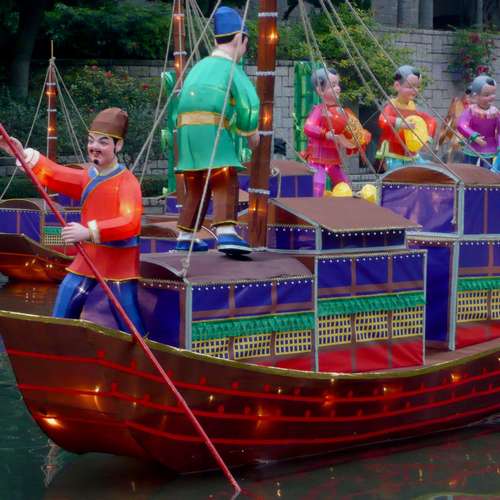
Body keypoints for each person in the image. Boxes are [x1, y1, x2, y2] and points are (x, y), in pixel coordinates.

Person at [0, 108, 145, 335]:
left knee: (126, 313)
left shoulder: (127, 183)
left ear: (118, 146)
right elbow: (54, 174)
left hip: (119, 262)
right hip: (89, 258)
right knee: (67, 295)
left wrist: (88, 232)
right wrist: (22, 155)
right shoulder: (87, 177)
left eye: (103, 142)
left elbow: (129, 222)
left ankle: (141, 347)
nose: (94, 147)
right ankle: (60, 343)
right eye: (91, 141)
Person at [174, 5, 260, 256]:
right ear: (239, 39)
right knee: (224, 175)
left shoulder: (198, 67)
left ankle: (185, 235)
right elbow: (249, 102)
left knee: (197, 181)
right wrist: (250, 133)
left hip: (186, 132)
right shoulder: (231, 69)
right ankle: (226, 232)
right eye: (245, 43)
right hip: (212, 127)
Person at [302, 67, 371, 197]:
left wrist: (353, 139)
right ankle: (315, 205)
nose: (338, 88)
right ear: (320, 90)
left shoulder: (341, 112)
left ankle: (346, 202)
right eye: (333, 86)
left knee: (344, 184)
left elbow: (346, 130)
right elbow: (308, 127)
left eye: (338, 84)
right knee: (318, 185)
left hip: (333, 158)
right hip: (318, 158)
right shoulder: (320, 110)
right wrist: (325, 134)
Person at [376, 65, 437, 171]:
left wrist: (427, 139)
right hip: (393, 154)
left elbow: (431, 121)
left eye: (417, 87)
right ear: (397, 86)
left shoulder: (412, 108)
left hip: (412, 155)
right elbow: (383, 120)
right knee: (398, 173)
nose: (415, 90)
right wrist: (402, 124)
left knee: (428, 169)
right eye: (410, 87)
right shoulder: (392, 106)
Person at [457, 75, 500, 171]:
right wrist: (474, 136)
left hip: (489, 147)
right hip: (472, 146)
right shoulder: (471, 110)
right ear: (476, 96)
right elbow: (461, 125)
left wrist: (499, 144)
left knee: (486, 172)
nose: (491, 97)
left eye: (493, 94)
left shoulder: (495, 112)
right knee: (469, 170)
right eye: (486, 95)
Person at [438, 86, 472, 162]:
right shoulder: (457, 103)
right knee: (455, 143)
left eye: (470, 96)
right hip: (456, 129)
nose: (468, 97)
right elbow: (451, 116)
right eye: (467, 94)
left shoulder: (473, 107)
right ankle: (449, 161)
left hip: (469, 132)